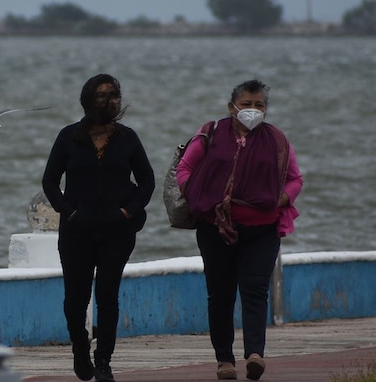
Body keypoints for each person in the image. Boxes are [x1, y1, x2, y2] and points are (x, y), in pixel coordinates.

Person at [175, 79, 303, 381]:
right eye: (246, 104)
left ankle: (255, 354)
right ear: (231, 106)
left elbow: (295, 179)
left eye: (259, 105)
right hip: (214, 229)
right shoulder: (211, 133)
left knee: (256, 290)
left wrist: (278, 200)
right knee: (220, 295)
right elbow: (185, 169)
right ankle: (224, 360)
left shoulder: (277, 141)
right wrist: (198, 196)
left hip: (261, 230)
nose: (252, 110)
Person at [41, 73, 156, 382]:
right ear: (88, 101)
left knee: (108, 295)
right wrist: (69, 212)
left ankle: (103, 361)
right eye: (103, 95)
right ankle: (80, 346)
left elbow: (147, 181)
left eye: (114, 95)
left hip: (117, 231)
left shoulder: (128, 138)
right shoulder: (69, 137)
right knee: (75, 299)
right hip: (76, 231)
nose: (110, 101)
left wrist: (128, 211)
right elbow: (50, 182)